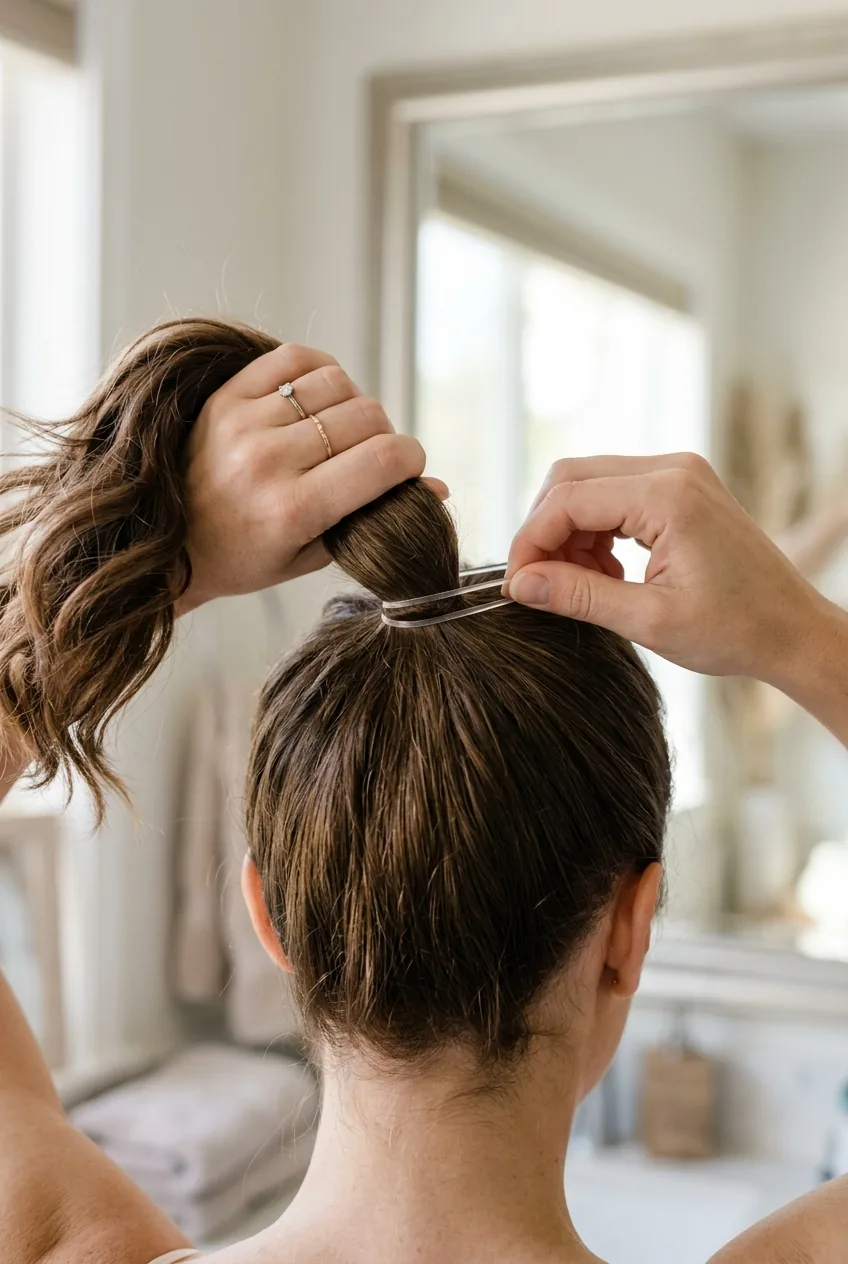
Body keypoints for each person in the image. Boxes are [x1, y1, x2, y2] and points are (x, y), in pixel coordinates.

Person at [0, 322, 846, 1264]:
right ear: (631, 929)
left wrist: (155, 562)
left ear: (269, 917)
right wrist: (799, 631)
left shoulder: (62, 1245)